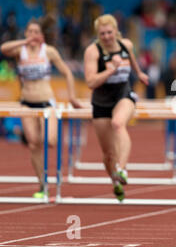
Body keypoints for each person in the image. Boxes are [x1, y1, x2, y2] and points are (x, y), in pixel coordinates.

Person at [0, 15, 82, 198]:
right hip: (27, 103)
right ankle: (42, 184)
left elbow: (67, 73)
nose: (32, 35)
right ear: (25, 33)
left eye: (36, 32)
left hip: (46, 103)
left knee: (50, 141)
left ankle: (51, 174)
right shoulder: (19, 50)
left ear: (42, 35)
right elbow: (3, 49)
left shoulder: (49, 51)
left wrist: (72, 96)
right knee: (33, 143)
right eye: (29, 31)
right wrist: (24, 41)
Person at [83, 14, 149, 202]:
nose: (106, 36)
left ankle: (122, 169)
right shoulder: (92, 51)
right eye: (102, 33)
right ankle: (116, 182)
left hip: (123, 95)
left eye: (109, 32)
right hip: (101, 101)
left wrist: (140, 74)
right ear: (98, 34)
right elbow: (90, 82)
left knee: (118, 124)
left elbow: (133, 62)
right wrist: (111, 69)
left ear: (116, 31)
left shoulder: (125, 45)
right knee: (107, 154)